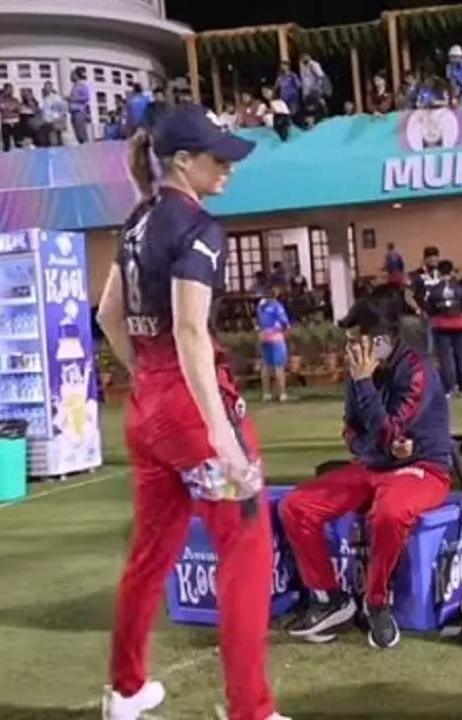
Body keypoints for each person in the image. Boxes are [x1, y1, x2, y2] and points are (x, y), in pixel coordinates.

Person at [96, 105, 289, 720]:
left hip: (147, 407)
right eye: (218, 157)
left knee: (151, 552)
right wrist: (218, 434)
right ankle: (250, 711)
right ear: (183, 161)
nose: (228, 167)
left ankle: (126, 692)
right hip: (192, 411)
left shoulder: (135, 222)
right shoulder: (198, 227)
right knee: (247, 549)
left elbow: (108, 315)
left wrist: (150, 383)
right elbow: (189, 330)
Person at [277, 293, 453, 650]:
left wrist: (364, 387)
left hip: (423, 468)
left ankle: (376, 602)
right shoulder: (358, 371)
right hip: (374, 465)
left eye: (358, 338)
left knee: (389, 513)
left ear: (383, 340)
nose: (352, 346)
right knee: (296, 506)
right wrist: (375, 446)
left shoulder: (418, 371)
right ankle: (330, 599)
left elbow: (390, 429)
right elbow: (353, 431)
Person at [425, 259, 462, 398]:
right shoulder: (459, 287)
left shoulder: (433, 289)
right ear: (452, 271)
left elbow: (429, 308)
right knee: (461, 355)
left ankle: (448, 388)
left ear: (438, 272)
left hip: (442, 325)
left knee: (445, 358)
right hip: (459, 325)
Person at [258, 285, 291, 403]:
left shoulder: (261, 306)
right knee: (279, 366)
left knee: (266, 366)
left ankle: (266, 393)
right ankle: (282, 393)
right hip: (276, 337)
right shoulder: (277, 306)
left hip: (264, 336)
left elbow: (260, 321)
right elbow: (284, 323)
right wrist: (287, 333)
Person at [406, 245, 442, 355]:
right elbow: (408, 296)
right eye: (430, 258)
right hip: (427, 315)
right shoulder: (417, 275)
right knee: (429, 345)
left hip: (443, 314)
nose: (433, 260)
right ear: (425, 259)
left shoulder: (440, 274)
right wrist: (418, 310)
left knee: (443, 346)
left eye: (436, 257)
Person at [40, 82, 68, 147]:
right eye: (46, 87)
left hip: (54, 121)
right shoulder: (45, 98)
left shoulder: (55, 97)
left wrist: (58, 117)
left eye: (49, 87)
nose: (47, 89)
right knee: (51, 140)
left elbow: (63, 108)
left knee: (55, 140)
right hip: (47, 122)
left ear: (51, 87)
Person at [68, 70, 92, 144]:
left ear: (77, 76)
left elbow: (86, 97)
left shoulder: (82, 86)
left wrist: (74, 99)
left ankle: (87, 149)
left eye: (72, 75)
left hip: (79, 112)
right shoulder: (74, 87)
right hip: (73, 112)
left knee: (82, 133)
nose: (71, 77)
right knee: (77, 134)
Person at [0, 84, 22, 151]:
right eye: (8, 90)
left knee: (18, 142)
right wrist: (12, 108)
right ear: (5, 90)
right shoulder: (1, 100)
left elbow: (18, 109)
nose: (10, 91)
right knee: (6, 143)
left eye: (11, 90)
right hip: (6, 122)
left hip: (15, 121)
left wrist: (9, 108)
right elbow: (2, 108)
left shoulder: (15, 100)